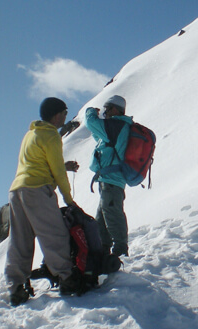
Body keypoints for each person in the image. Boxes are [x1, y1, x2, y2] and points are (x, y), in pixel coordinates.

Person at [5, 97, 82, 306]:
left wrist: (63, 166)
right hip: (38, 189)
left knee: (20, 239)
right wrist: (68, 198)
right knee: (54, 233)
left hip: (16, 190)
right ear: (57, 115)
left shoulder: (30, 134)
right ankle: (66, 278)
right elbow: (56, 171)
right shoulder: (50, 135)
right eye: (65, 114)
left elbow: (37, 163)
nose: (65, 117)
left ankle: (16, 287)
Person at [84, 95, 133, 267]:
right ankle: (102, 252)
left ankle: (120, 250)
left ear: (114, 109)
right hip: (110, 180)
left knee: (112, 213)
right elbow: (99, 137)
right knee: (102, 218)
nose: (104, 112)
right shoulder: (116, 127)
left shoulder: (116, 125)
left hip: (112, 180)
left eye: (106, 108)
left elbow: (91, 124)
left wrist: (90, 112)